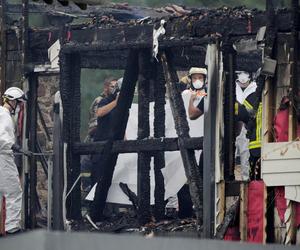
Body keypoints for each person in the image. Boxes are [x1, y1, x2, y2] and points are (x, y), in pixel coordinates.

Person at [0, 87, 26, 234]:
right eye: (19, 103)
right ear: (13, 101)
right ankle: (12, 229)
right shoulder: (4, 115)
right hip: (3, 157)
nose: (20, 106)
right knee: (14, 192)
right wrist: (15, 146)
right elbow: (1, 137)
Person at [235, 71, 257, 181]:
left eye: (245, 73)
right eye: (240, 73)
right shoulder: (232, 86)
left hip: (248, 126)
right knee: (228, 157)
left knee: (246, 157)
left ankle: (246, 182)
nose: (243, 76)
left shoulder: (255, 87)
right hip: (233, 126)